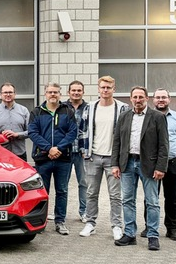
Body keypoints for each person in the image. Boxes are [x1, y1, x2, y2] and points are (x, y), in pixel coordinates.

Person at [111, 87, 168, 251]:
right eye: (135, 97)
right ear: (130, 99)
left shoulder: (157, 117)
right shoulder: (124, 117)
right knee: (127, 200)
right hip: (127, 163)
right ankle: (129, 234)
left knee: (152, 201)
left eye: (141, 97)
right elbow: (117, 143)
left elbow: (164, 145)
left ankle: (153, 236)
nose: (138, 100)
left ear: (147, 98)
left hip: (148, 165)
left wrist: (160, 167)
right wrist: (115, 164)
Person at [80, 76, 129, 239]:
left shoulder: (123, 108)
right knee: (91, 193)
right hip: (93, 157)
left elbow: (127, 134)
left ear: (114, 89)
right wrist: (83, 150)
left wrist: (122, 158)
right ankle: (90, 223)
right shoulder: (90, 107)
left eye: (109, 87)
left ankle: (116, 225)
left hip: (113, 160)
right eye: (103, 87)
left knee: (115, 195)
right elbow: (82, 130)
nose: (105, 90)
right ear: (98, 89)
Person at [27, 83, 78, 235]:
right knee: (42, 191)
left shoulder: (68, 111)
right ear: (45, 94)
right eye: (50, 92)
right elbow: (33, 132)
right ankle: (40, 221)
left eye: (55, 92)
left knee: (62, 190)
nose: (53, 95)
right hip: (43, 158)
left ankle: (60, 221)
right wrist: (49, 148)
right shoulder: (37, 112)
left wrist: (59, 148)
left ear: (60, 94)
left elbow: (72, 132)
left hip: (63, 158)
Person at [153, 88, 176, 241]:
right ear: (153, 100)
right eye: (158, 97)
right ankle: (150, 227)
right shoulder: (148, 117)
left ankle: (172, 228)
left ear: (169, 99)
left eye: (164, 97)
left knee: (172, 197)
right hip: (153, 163)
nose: (161, 100)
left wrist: (173, 150)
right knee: (151, 197)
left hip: (174, 162)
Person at [64, 81, 90, 223]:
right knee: (63, 184)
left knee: (83, 183)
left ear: (83, 92)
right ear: (69, 92)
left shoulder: (89, 108)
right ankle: (60, 212)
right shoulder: (62, 107)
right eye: (73, 90)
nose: (76, 92)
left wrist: (86, 148)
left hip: (82, 152)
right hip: (65, 151)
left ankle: (84, 212)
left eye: (79, 90)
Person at [0, 82, 30, 162]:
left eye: (10, 92)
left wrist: (17, 134)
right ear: (0, 94)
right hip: (0, 154)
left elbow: (31, 131)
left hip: (19, 154)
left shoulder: (24, 110)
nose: (8, 94)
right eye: (5, 92)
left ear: (15, 94)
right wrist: (0, 132)